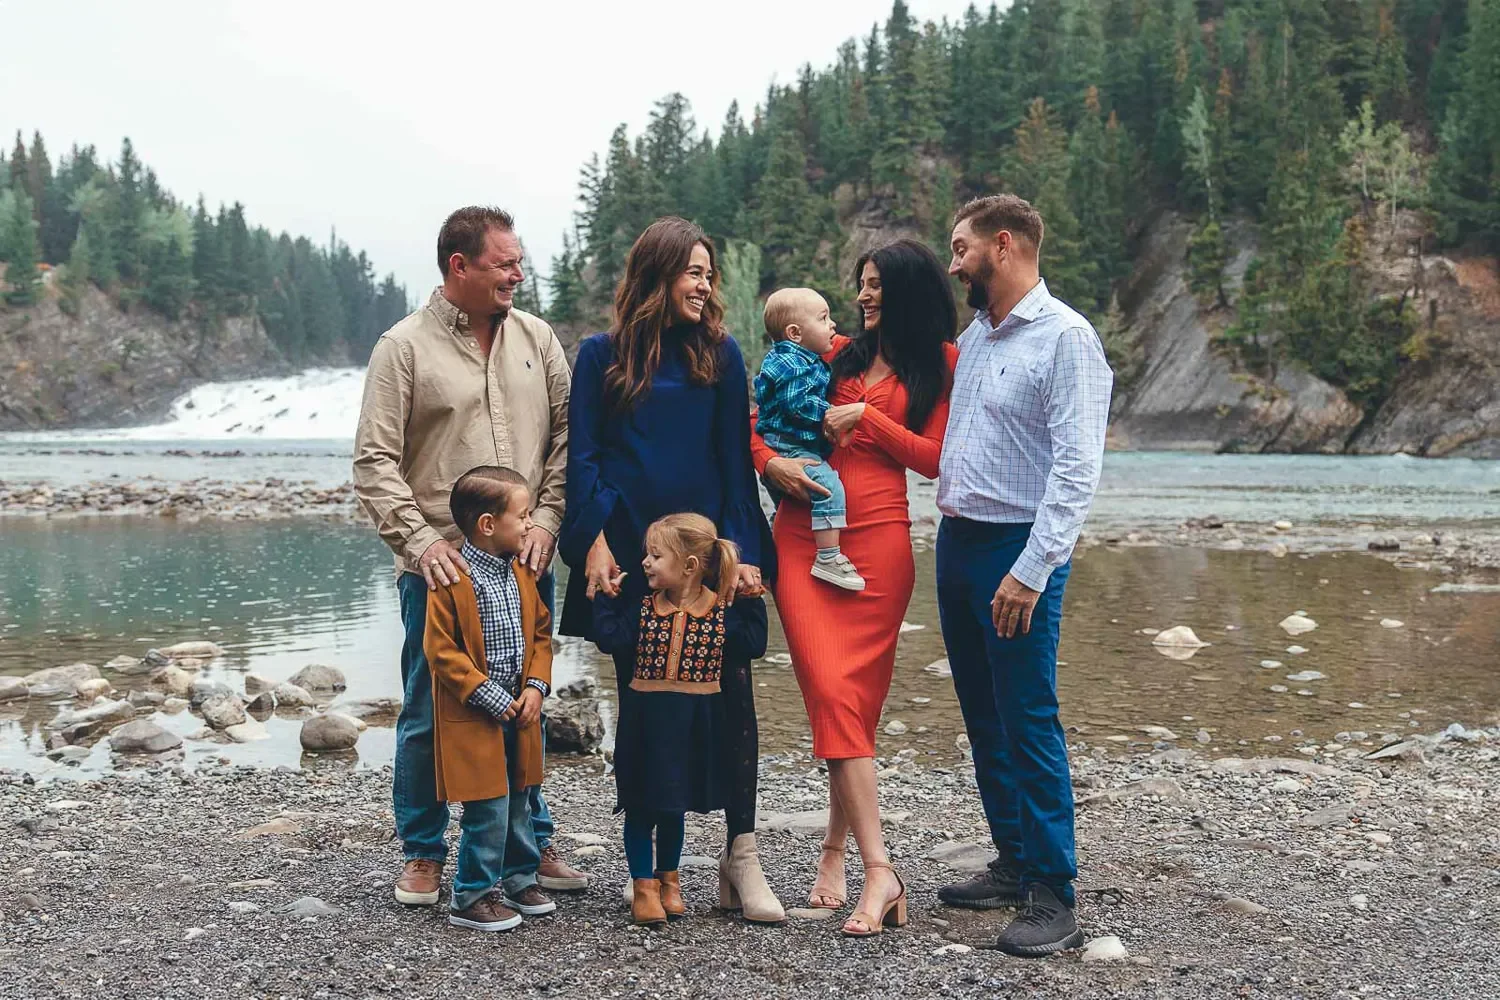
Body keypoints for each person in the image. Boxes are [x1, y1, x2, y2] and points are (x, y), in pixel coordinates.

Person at [353, 206, 589, 909]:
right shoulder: (404, 347)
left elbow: (570, 440)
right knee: (432, 710)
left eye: (519, 262)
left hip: (522, 568)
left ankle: (529, 841)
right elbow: (373, 460)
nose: (518, 274)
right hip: (441, 572)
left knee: (524, 702)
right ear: (460, 266)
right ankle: (425, 852)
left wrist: (547, 517)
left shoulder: (538, 339)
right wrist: (421, 542)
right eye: (503, 263)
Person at [559, 216, 784, 924]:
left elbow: (731, 463)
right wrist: (593, 541)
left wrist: (739, 555)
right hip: (634, 556)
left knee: (734, 698)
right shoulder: (600, 357)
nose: (705, 284)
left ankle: (739, 859)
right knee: (646, 706)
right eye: (693, 271)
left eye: (709, 273)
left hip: (706, 557)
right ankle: (649, 869)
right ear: (657, 274)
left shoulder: (721, 355)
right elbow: (586, 457)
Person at [753, 239, 959, 937]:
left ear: (904, 292)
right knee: (831, 695)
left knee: (855, 711)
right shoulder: (831, 350)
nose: (862, 298)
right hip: (800, 536)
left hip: (881, 543)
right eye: (860, 286)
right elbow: (760, 420)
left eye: (872, 287)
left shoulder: (939, 362)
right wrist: (771, 464)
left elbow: (935, 460)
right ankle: (881, 870)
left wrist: (867, 419)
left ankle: (839, 851)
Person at [936, 194, 1113, 957]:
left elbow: (1077, 470)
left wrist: (1034, 568)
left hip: (1018, 548)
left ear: (1002, 246)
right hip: (956, 541)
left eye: (961, 248)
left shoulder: (1067, 339)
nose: (953, 263)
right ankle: (1012, 859)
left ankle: (1054, 894)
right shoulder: (977, 336)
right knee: (983, 714)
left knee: (1029, 717)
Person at [590, 513, 769, 926]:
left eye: (656, 555)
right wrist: (607, 598)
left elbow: (754, 645)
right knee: (639, 806)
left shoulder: (720, 613)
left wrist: (752, 599)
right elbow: (609, 639)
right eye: (647, 555)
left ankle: (670, 881)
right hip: (644, 727)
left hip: (694, 727)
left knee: (674, 807)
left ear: (689, 566)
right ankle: (643, 886)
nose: (646, 563)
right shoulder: (642, 610)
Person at [424, 467, 553, 931]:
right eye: (523, 516)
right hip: (477, 713)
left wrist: (536, 687)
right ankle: (471, 896)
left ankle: (520, 878)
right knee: (488, 805)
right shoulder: (450, 579)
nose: (529, 524)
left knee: (522, 795)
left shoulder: (522, 571)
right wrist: (492, 697)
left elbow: (540, 634)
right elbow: (441, 651)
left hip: (523, 709)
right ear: (487, 524)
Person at [753, 288, 863, 591]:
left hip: (780, 446)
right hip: (788, 447)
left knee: (790, 503)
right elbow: (796, 403)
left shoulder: (799, 359)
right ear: (795, 333)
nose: (833, 325)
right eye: (823, 318)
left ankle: (780, 522)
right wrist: (832, 415)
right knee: (828, 489)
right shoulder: (793, 364)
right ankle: (828, 556)